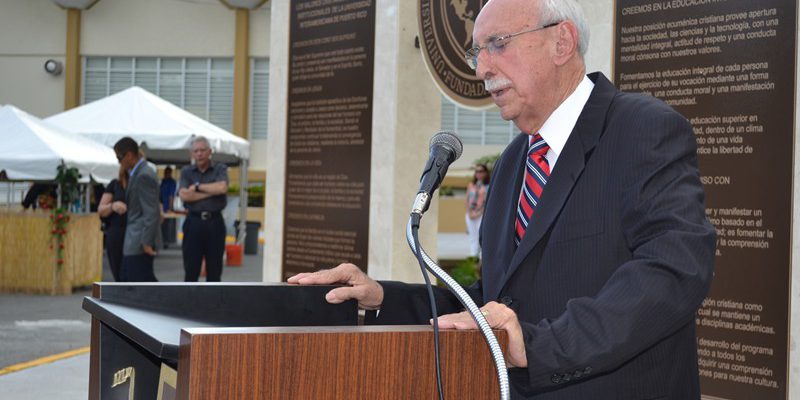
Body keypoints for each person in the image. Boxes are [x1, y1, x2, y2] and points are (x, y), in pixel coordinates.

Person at [289, 0, 715, 399]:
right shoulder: (513, 161)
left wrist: (540, 346)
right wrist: (384, 297)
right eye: (478, 52)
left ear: (562, 42)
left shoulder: (643, 130)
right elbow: (497, 299)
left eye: (498, 44)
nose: (482, 69)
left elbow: (674, 270)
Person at [179, 136, 228, 282]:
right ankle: (189, 297)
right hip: (193, 223)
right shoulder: (186, 171)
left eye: (202, 150)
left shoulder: (220, 169)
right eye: (196, 151)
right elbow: (184, 195)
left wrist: (197, 187)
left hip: (215, 223)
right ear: (192, 154)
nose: (199, 154)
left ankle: (213, 298)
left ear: (210, 152)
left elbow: (222, 188)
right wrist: (211, 193)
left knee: (214, 271)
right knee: (190, 270)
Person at [113, 137, 161, 282]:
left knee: (137, 284)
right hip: (136, 240)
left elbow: (151, 212)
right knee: (131, 281)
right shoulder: (139, 173)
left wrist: (146, 242)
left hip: (138, 242)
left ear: (129, 155)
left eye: (119, 158)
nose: (119, 162)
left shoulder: (143, 175)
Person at [97, 166, 128, 282]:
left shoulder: (139, 184)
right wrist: (113, 206)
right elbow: (101, 210)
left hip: (133, 232)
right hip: (116, 232)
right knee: (118, 272)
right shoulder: (115, 184)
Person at [465, 163, 490, 257]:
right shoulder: (471, 185)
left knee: (482, 237)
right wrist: (469, 213)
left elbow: (487, 202)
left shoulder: (488, 186)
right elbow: (467, 199)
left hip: (481, 214)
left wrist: (479, 213)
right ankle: (473, 258)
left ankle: (481, 259)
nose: (478, 174)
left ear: (485, 173)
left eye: (481, 171)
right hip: (470, 214)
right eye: (477, 171)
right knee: (473, 238)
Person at [159, 166, 177, 248]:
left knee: (166, 226)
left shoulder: (171, 182)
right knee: (161, 225)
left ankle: (166, 242)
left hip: (167, 207)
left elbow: (171, 196)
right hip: (160, 206)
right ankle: (162, 241)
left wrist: (170, 208)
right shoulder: (163, 181)